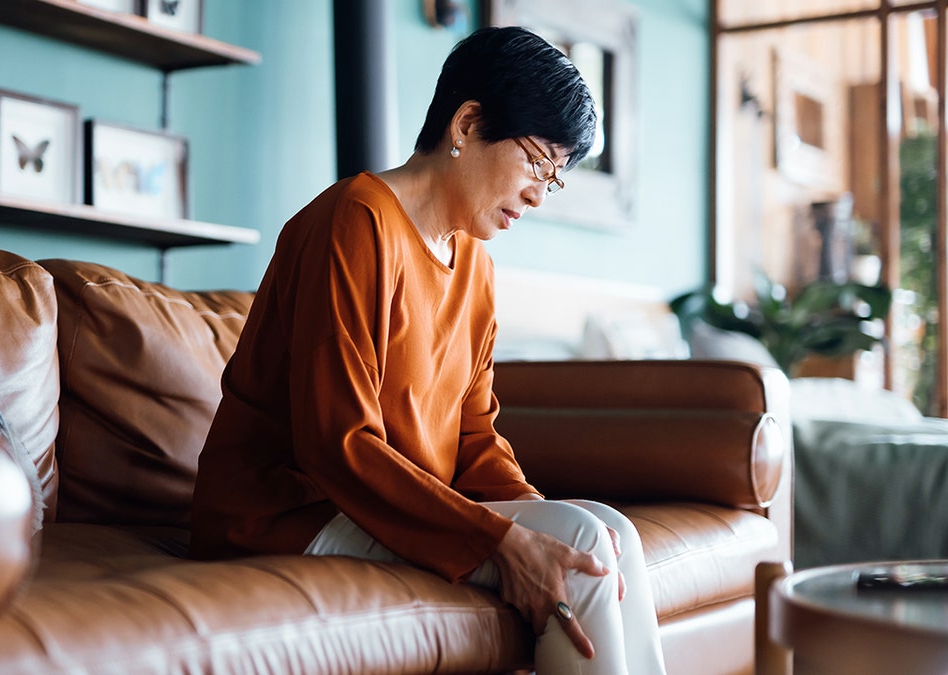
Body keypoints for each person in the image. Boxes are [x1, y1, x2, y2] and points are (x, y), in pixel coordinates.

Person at [191, 25, 668, 674]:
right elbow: (339, 443)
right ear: (468, 124)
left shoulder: (475, 264)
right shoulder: (354, 223)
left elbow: (473, 436)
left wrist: (531, 517)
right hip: (285, 514)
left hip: (378, 507)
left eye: (553, 178)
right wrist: (502, 538)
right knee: (580, 539)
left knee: (605, 531)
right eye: (536, 162)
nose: (537, 193)